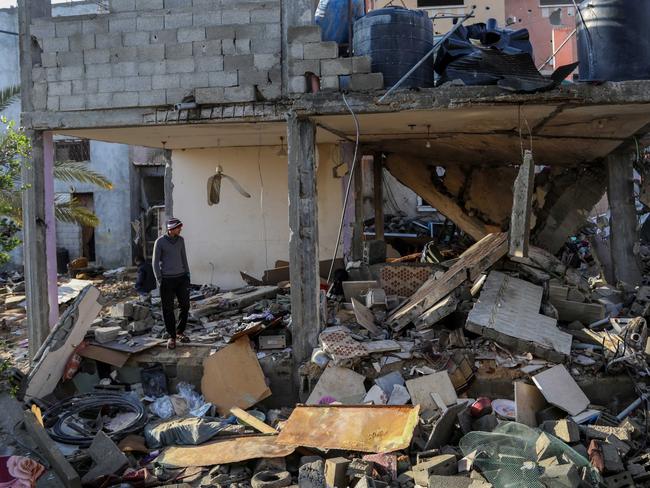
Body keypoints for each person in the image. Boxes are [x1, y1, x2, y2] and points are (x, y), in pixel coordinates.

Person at [152, 217, 191, 349]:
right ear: (171, 229)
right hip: (166, 280)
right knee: (167, 309)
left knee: (185, 305)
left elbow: (183, 258)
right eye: (178, 227)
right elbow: (154, 262)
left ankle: (180, 332)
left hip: (181, 278)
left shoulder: (181, 240)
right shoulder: (160, 242)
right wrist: (159, 279)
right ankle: (172, 336)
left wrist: (187, 275)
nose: (180, 229)